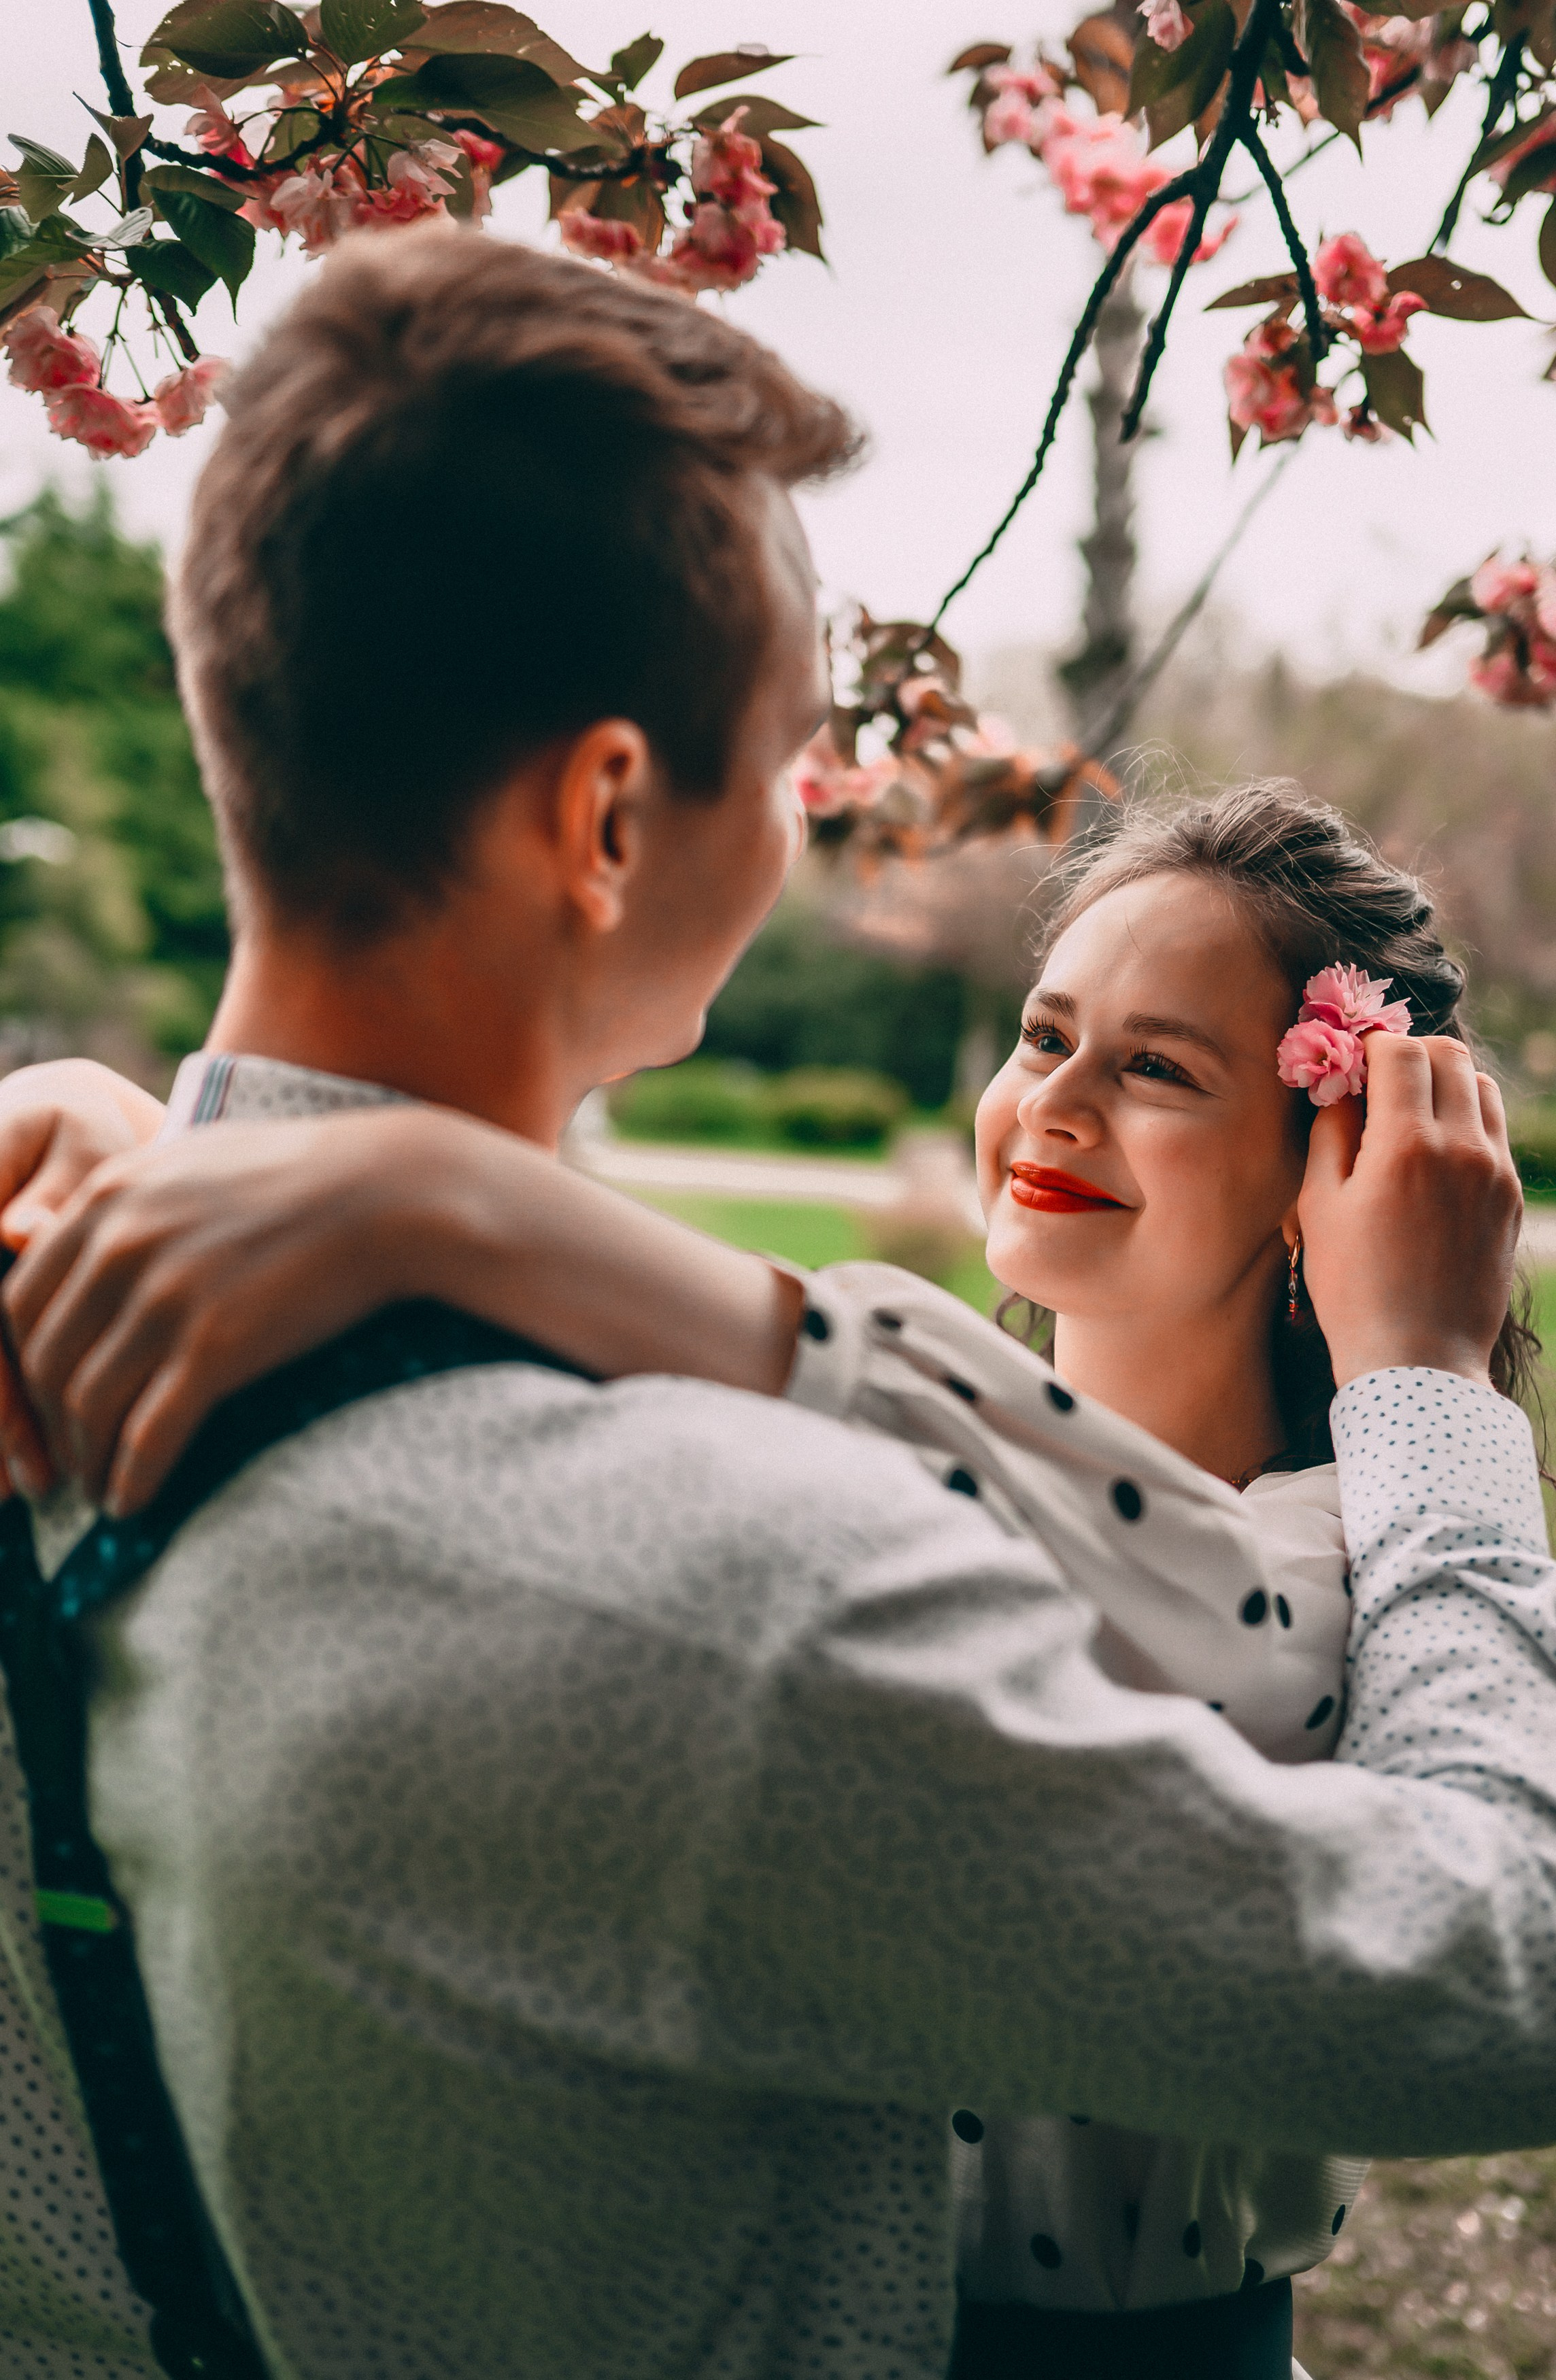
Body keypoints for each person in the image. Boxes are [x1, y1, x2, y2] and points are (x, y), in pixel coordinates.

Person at [0, 226, 1545, 2380]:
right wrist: (1444, 1404)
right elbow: (1491, 1980)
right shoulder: (747, 1591)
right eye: (794, 749)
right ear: (613, 812)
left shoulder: (36, 1330)